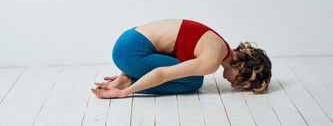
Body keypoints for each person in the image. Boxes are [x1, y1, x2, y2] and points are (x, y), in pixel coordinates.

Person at [91, 18, 272, 99]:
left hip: (127, 42)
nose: (235, 85)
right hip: (130, 53)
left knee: (187, 71)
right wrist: (125, 93)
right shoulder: (212, 61)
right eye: (242, 83)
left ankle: (128, 75)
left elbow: (168, 50)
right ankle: (127, 82)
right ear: (241, 69)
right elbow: (162, 73)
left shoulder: (220, 44)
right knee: (194, 80)